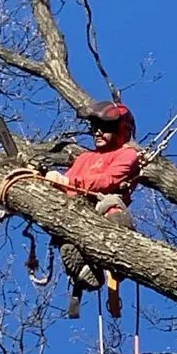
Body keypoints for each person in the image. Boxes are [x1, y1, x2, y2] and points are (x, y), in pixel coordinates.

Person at [45, 101, 139, 308]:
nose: (97, 132)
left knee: (112, 207)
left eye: (105, 127)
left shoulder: (127, 154)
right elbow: (68, 182)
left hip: (104, 208)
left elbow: (109, 180)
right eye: (95, 127)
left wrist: (68, 182)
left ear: (121, 130)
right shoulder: (85, 158)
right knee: (66, 240)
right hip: (77, 212)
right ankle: (85, 268)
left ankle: (119, 255)